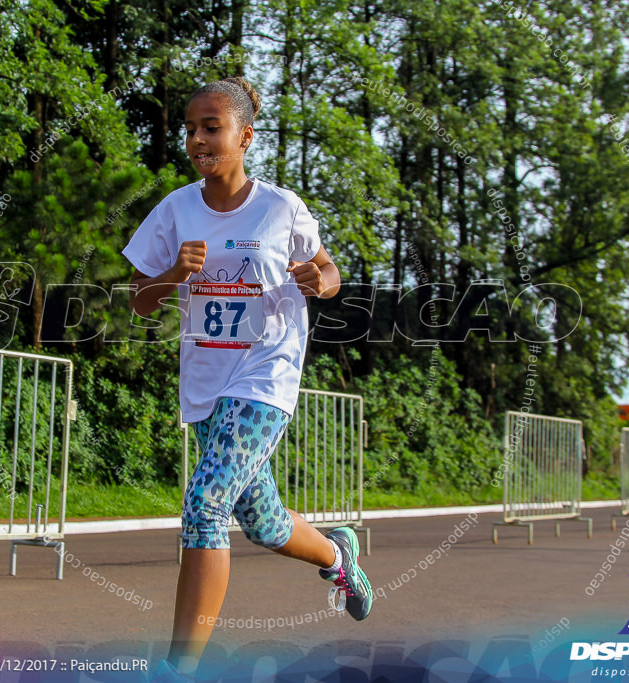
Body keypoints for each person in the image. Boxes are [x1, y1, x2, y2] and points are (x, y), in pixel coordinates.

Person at [122, 76, 373, 681]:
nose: (197, 139)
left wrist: (322, 283)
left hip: (266, 376)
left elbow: (326, 267)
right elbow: (137, 299)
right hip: (206, 383)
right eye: (189, 129)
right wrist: (170, 278)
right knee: (261, 521)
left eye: (212, 127)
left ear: (245, 136)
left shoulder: (280, 207)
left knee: (206, 506)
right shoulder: (176, 209)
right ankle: (340, 554)